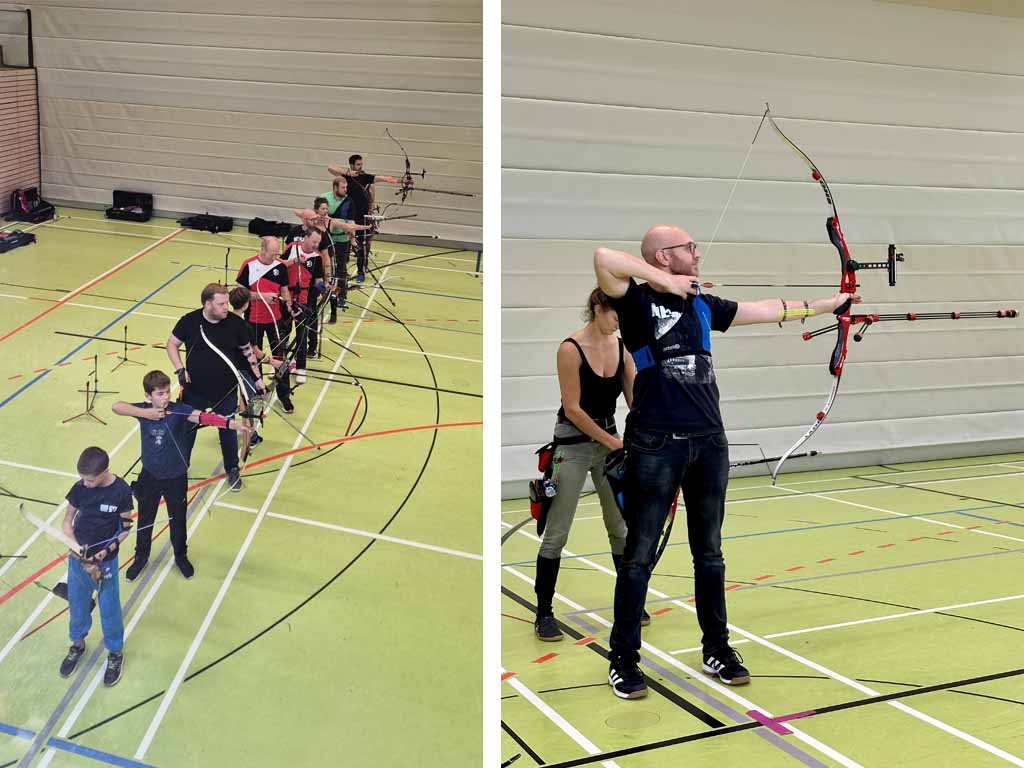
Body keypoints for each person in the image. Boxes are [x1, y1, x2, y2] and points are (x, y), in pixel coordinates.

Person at [593, 224, 860, 699]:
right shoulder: (634, 303)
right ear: (663, 258)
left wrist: (826, 305)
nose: (698, 254)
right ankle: (623, 660)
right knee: (638, 558)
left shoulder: (703, 304)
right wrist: (666, 283)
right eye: (687, 249)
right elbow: (604, 257)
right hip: (656, 444)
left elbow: (767, 309)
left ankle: (717, 648)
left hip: (709, 444)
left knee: (710, 554)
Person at [533, 288, 640, 642]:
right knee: (557, 532)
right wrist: (612, 442)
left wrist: (649, 434)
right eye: (614, 314)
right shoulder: (570, 349)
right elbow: (573, 408)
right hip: (575, 443)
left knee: (619, 527)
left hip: (609, 441)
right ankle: (544, 612)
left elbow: (635, 400)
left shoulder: (622, 348)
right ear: (597, 309)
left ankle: (629, 603)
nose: (618, 321)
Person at [111, 370, 250, 581]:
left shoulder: (179, 410)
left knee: (177, 520)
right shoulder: (144, 410)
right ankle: (141, 557)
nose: (165, 397)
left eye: (167, 392)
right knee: (145, 519)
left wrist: (232, 424)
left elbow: (203, 416)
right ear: (148, 396)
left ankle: (180, 557)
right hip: (149, 476)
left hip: (175, 477)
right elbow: (117, 406)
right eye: (159, 394)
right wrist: (145, 414)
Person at [167, 283, 265, 492]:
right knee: (187, 430)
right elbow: (171, 344)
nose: (225, 308)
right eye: (221, 304)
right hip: (195, 392)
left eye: (226, 303)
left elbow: (248, 354)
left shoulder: (236, 324)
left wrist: (257, 379)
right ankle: (180, 467)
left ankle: (232, 469)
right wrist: (179, 369)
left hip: (226, 392)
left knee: (227, 431)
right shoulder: (190, 322)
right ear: (207, 303)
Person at [58, 446, 133, 687]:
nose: (85, 483)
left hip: (105, 563)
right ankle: (77, 644)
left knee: (109, 609)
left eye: (90, 480)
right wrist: (72, 542)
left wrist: (104, 552)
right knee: (78, 604)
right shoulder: (80, 488)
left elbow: (125, 529)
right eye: (82, 478)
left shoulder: (121, 491)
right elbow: (68, 521)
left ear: (104, 472)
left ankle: (115, 653)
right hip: (79, 559)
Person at [235, 237, 297, 414]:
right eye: (272, 253)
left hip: (275, 319)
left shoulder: (279, 266)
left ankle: (284, 395)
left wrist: (289, 305)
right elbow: (239, 293)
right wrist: (261, 295)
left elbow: (284, 290)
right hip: (253, 321)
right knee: (254, 358)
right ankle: (257, 391)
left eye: (277, 253)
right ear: (262, 249)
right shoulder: (248, 265)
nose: (275, 256)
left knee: (281, 357)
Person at [327, 154, 399, 283]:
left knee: (362, 247)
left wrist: (396, 180)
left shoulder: (364, 177)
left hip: (362, 218)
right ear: (352, 165)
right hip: (348, 217)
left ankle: (361, 272)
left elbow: (379, 178)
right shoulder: (345, 178)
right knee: (345, 246)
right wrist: (348, 172)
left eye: (361, 164)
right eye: (358, 164)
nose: (361, 167)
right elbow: (330, 168)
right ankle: (342, 272)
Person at [281, 228, 330, 381]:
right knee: (283, 334)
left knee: (302, 335)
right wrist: (293, 261)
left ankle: (301, 368)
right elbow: (279, 264)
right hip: (286, 296)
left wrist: (326, 288)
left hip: (304, 300)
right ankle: (280, 364)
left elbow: (317, 281)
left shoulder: (318, 257)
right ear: (306, 238)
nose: (316, 245)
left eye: (318, 242)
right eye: (314, 241)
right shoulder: (292, 248)